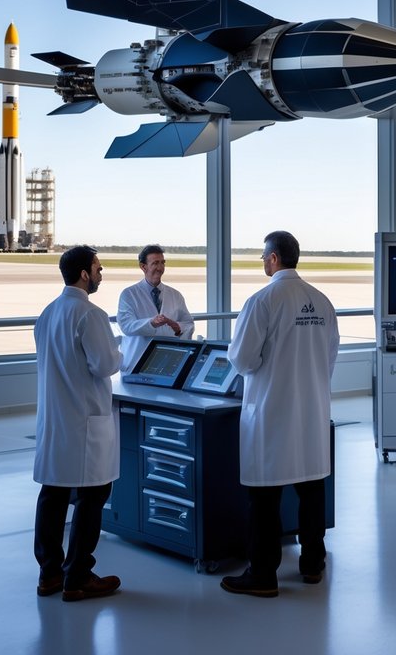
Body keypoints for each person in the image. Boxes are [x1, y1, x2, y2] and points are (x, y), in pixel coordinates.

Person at [220, 231, 340, 598]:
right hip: (311, 410)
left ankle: (263, 573)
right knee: (312, 489)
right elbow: (330, 356)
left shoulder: (262, 301)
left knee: (264, 498)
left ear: (273, 259)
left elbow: (243, 359)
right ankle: (312, 564)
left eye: (263, 257)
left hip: (272, 411)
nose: (262, 262)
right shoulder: (321, 301)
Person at [32, 246, 124, 602]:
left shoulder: (48, 313)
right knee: (93, 496)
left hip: (56, 419)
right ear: (84, 274)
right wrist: (119, 352)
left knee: (53, 495)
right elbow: (104, 365)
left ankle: (50, 574)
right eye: (98, 268)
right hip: (84, 421)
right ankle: (79, 577)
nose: (101, 274)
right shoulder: (90, 314)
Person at [117, 244, 195, 376]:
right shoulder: (129, 295)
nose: (160, 268)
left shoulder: (175, 295)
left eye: (162, 263)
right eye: (155, 263)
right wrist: (151, 323)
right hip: (136, 364)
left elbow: (188, 324)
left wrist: (178, 328)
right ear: (143, 267)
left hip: (167, 364)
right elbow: (126, 326)